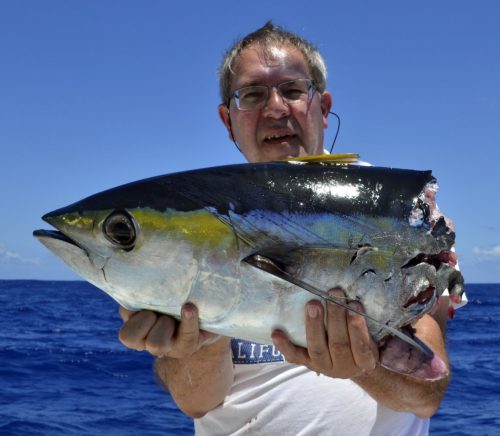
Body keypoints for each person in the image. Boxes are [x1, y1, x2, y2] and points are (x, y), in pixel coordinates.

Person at [118, 22, 455, 435]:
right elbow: (198, 401)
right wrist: (197, 345)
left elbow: (425, 397)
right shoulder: (194, 225)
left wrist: (364, 368)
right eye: (253, 94)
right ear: (228, 120)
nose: (276, 109)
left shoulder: (400, 215)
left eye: (293, 90)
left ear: (323, 106)